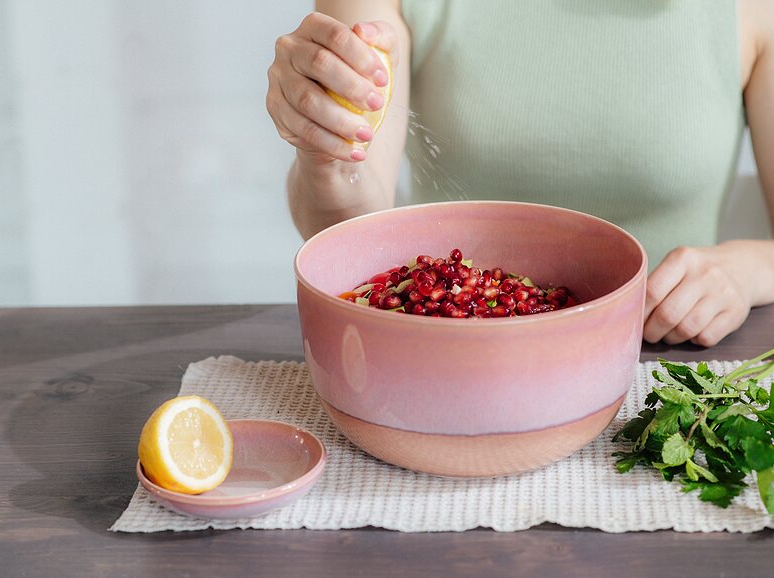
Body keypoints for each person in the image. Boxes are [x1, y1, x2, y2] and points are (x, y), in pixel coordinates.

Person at [266, 0, 774, 347]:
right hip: (442, 353)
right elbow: (345, 224)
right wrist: (325, 152)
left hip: (664, 358)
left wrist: (744, 271)